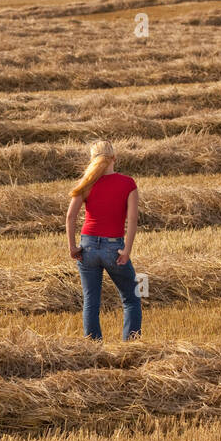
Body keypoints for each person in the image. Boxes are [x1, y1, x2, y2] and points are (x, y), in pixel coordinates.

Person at [65, 140, 141, 340]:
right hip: (113, 246)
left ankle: (92, 347)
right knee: (131, 298)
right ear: (114, 158)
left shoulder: (86, 183)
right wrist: (127, 251)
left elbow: (70, 217)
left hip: (87, 246)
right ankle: (131, 346)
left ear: (92, 159)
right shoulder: (128, 183)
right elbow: (132, 219)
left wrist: (73, 247)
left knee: (91, 301)